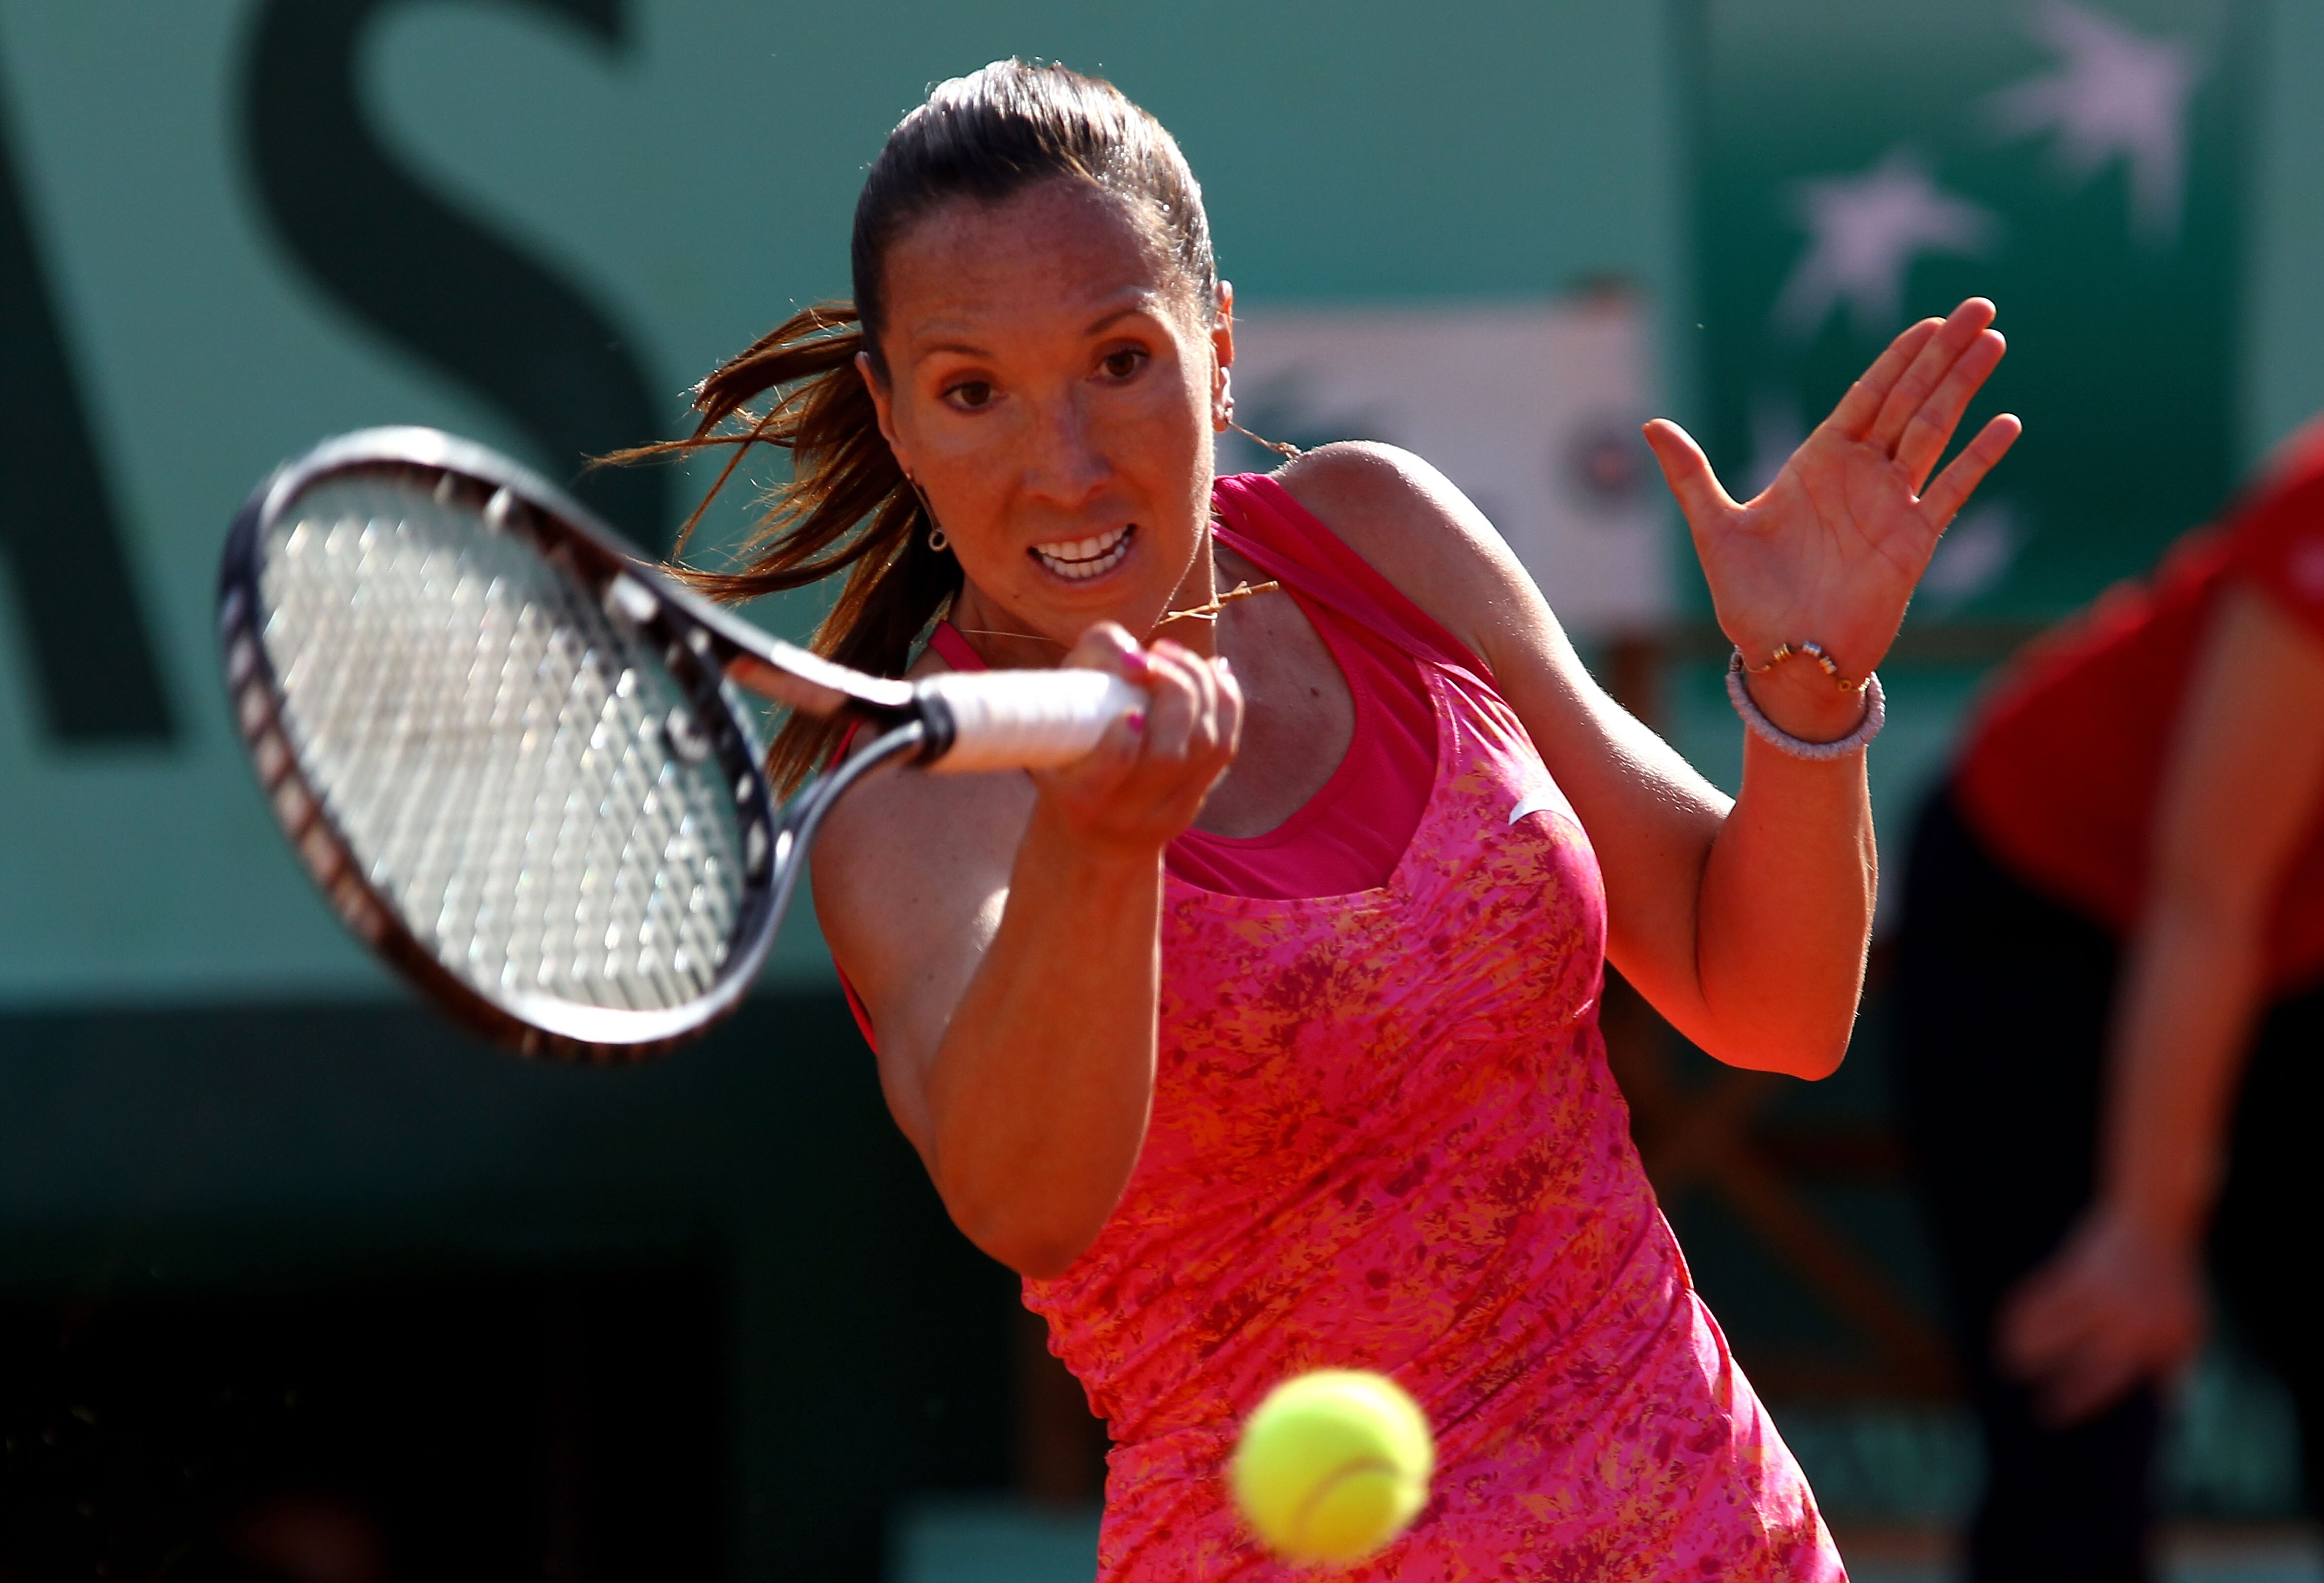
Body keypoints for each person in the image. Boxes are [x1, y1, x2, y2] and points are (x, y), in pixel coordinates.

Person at [630, 61, 2017, 1579]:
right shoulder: (909, 807)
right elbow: (1024, 1199)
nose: (1064, 466)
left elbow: (1770, 1001)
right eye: (973, 393)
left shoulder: (1380, 532)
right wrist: (1099, 851)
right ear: (894, 418)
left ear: (1217, 348)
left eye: (1118, 360)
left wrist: (1806, 686)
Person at [1897, 422, 2324, 1583]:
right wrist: (2146, 1227)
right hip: (2043, 909)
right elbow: (2208, 892)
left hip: (2278, 957)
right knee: (2089, 1375)